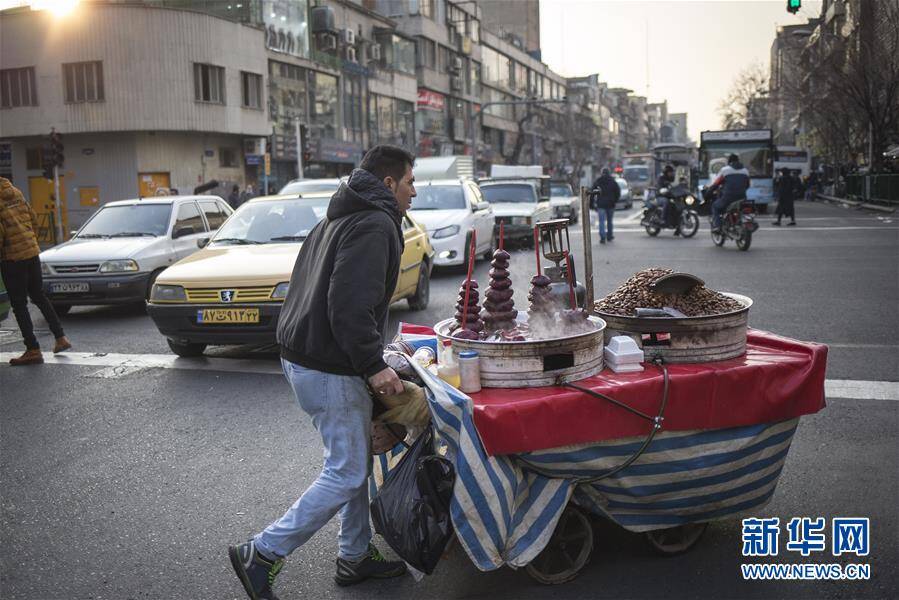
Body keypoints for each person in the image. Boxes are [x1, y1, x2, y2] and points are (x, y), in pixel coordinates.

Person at [228, 146, 415, 598]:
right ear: (388, 184)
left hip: (305, 356)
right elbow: (349, 306)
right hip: (328, 364)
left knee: (352, 460)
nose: (414, 191)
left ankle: (353, 557)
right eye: (410, 181)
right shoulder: (373, 222)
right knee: (347, 471)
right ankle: (263, 552)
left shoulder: (339, 213)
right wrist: (374, 367)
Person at [0, 177, 71, 365]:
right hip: (31, 252)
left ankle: (32, 349)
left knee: (19, 305)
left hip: (12, 258)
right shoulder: (16, 192)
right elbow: (32, 217)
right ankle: (60, 338)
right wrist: (31, 241)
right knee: (39, 296)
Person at [708, 154, 750, 233]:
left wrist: (708, 192)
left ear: (729, 161)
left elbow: (716, 184)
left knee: (715, 207)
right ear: (738, 161)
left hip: (728, 197)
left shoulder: (725, 170)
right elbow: (747, 185)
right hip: (742, 197)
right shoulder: (745, 171)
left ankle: (717, 227)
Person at [591, 167, 619, 244]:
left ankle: (603, 237)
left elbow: (592, 192)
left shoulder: (598, 181)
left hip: (601, 204)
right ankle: (609, 236)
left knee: (601, 221)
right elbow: (617, 192)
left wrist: (591, 204)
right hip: (611, 204)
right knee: (610, 221)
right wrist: (615, 201)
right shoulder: (612, 181)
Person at [655, 164, 678, 234]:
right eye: (670, 172)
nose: (671, 173)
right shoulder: (661, 178)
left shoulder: (672, 178)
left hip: (669, 196)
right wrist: (664, 190)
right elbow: (660, 188)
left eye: (672, 172)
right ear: (666, 172)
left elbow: (676, 184)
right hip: (660, 197)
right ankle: (663, 219)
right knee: (666, 202)